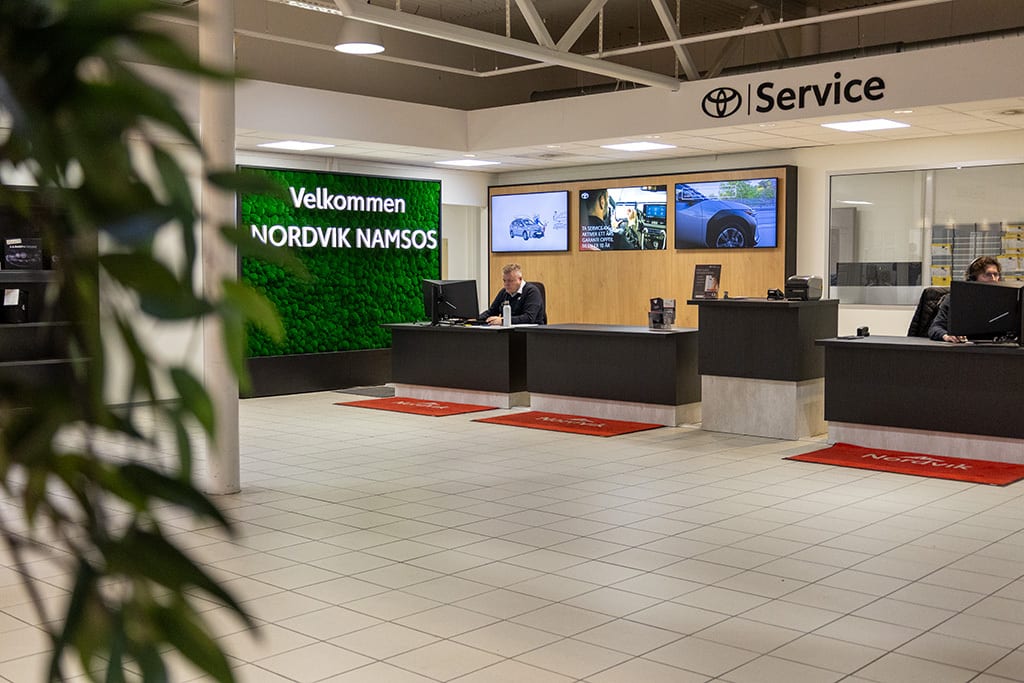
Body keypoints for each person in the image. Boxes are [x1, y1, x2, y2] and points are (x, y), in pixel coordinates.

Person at [928, 255, 1002, 343]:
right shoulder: (955, 298)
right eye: (988, 275)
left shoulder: (1003, 300)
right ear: (973, 279)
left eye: (996, 275)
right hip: (964, 350)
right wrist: (946, 336)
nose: (993, 279)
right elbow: (935, 327)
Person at [480, 263, 546, 325]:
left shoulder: (532, 291)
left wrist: (503, 320)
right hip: (508, 331)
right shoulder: (504, 292)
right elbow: (492, 311)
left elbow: (529, 318)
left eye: (510, 281)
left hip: (530, 333)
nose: (506, 284)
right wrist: (476, 318)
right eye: (504, 280)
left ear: (520, 279)